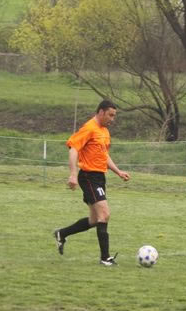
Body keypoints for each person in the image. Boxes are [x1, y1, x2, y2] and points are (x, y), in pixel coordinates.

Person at [53, 99, 130, 266]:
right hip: (88, 177)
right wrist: (73, 174)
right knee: (105, 214)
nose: (112, 119)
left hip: (99, 177)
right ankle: (105, 258)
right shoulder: (89, 128)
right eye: (110, 115)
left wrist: (118, 172)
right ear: (101, 112)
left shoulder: (105, 131)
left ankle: (61, 233)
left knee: (95, 220)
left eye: (114, 116)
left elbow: (104, 155)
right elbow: (73, 149)